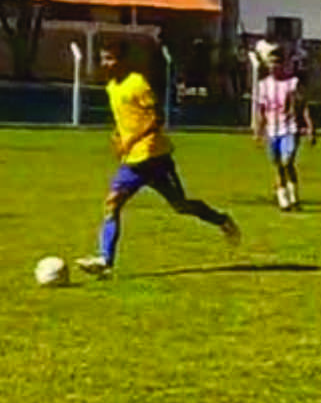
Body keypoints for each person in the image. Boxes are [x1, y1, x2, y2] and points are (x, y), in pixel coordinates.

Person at [77, 41, 240, 279]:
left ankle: (222, 220)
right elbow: (126, 119)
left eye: (110, 58)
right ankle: (105, 260)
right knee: (112, 204)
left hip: (154, 156)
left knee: (181, 206)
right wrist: (118, 136)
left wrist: (131, 140)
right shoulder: (111, 86)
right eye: (103, 58)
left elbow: (157, 118)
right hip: (133, 160)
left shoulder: (138, 83)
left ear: (123, 60)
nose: (106, 64)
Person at [253, 45, 315, 211]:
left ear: (282, 64)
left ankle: (294, 197)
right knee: (278, 165)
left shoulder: (291, 83)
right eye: (271, 63)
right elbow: (261, 109)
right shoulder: (263, 85)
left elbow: (302, 106)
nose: (274, 66)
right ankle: (284, 200)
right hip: (272, 130)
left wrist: (310, 127)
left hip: (289, 128)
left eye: (277, 63)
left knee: (287, 162)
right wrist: (258, 130)